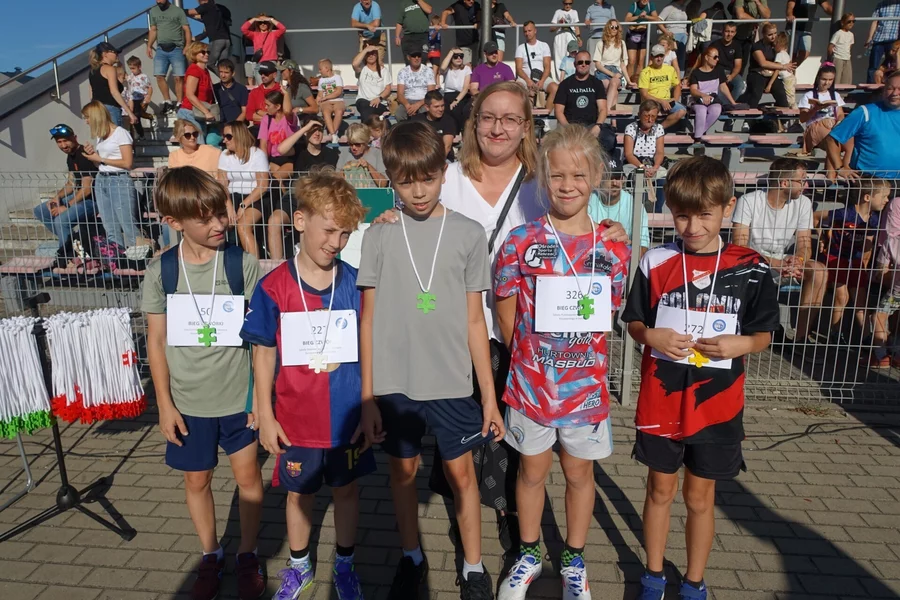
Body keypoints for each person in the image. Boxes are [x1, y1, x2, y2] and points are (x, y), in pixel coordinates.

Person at [374, 81, 630, 553]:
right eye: (488, 117)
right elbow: (412, 214)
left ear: (526, 126)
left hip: (523, 339)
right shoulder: (448, 176)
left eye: (511, 119)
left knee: (515, 444)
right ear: (474, 124)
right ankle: (465, 524)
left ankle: (516, 525)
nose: (498, 128)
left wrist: (612, 229)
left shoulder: (540, 182)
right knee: (459, 440)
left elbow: (574, 227)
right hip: (456, 331)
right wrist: (387, 219)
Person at [357, 121, 504, 600]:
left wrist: (488, 397)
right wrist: (367, 396)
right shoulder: (379, 235)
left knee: (463, 475)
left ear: (444, 172)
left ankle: (474, 567)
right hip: (395, 383)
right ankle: (411, 557)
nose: (418, 191)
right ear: (391, 180)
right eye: (405, 182)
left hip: (452, 382)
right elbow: (367, 320)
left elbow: (476, 321)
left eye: (428, 178)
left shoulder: (468, 233)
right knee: (402, 474)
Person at [623, 156, 780, 600]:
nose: (692, 226)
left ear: (728, 208)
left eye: (704, 215)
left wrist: (739, 345)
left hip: (716, 406)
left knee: (699, 497)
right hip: (661, 400)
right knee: (659, 489)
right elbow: (634, 322)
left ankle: (694, 581)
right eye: (681, 215)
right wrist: (650, 335)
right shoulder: (656, 261)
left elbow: (764, 335)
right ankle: (653, 575)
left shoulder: (751, 266)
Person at [493, 126, 629, 600]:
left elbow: (609, 313)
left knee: (578, 474)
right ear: (543, 179)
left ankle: (573, 560)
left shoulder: (613, 246)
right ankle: (529, 554)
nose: (567, 185)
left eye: (578, 175)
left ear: (596, 177)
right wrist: (532, 360)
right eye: (557, 176)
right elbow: (505, 312)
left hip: (585, 390)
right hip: (532, 386)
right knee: (530, 473)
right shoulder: (520, 241)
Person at [240, 172, 372, 600]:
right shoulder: (273, 287)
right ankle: (299, 567)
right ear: (299, 221)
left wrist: (370, 404)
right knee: (298, 495)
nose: (336, 242)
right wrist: (264, 413)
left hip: (347, 418)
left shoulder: (357, 284)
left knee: (347, 491)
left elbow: (371, 350)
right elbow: (263, 354)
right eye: (329, 230)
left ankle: (346, 564)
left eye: (345, 233)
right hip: (295, 421)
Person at [142, 167, 265, 600]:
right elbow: (156, 341)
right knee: (197, 481)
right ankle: (211, 554)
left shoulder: (241, 264)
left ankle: (247, 553)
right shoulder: (162, 272)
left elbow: (262, 340)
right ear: (173, 222)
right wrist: (164, 404)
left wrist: (260, 398)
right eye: (205, 218)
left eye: (221, 212)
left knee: (248, 478)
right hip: (188, 403)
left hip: (238, 400)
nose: (219, 224)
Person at [731, 158, 827, 343]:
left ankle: (801, 339)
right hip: (751, 262)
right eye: (801, 180)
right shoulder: (749, 201)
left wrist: (797, 261)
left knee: (819, 271)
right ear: (784, 183)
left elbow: (805, 244)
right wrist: (776, 263)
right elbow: (740, 248)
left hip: (783, 262)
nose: (806, 185)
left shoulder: (804, 203)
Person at [820, 179, 891, 356]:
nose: (887, 200)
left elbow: (868, 245)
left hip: (857, 261)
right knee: (842, 297)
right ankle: (835, 334)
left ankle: (866, 338)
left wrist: (865, 265)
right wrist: (823, 235)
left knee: (861, 299)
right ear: (867, 197)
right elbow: (816, 217)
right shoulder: (845, 213)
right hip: (837, 258)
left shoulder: (874, 219)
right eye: (884, 196)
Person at [80, 101, 141, 251]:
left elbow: (127, 163)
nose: (86, 121)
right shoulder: (101, 137)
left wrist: (100, 159)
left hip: (119, 180)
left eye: (87, 117)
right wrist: (93, 156)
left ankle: (141, 256)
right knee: (110, 226)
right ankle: (117, 258)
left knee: (128, 224)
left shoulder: (120, 133)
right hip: (102, 179)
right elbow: (101, 164)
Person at [827, 70, 900, 181]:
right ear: (884, 90)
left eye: (899, 89)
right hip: (869, 181)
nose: (894, 93)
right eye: (890, 88)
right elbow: (832, 139)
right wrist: (840, 167)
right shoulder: (865, 112)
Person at [34, 124, 98, 249]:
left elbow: (86, 189)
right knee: (40, 210)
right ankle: (72, 242)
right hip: (80, 197)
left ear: (75, 138)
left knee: (61, 220)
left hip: (93, 201)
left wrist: (67, 206)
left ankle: (67, 252)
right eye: (59, 142)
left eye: (66, 141)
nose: (63, 145)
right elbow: (71, 184)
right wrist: (57, 197)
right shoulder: (71, 157)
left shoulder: (84, 155)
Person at [217, 121, 271, 254]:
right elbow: (222, 185)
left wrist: (243, 205)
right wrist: (229, 207)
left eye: (228, 136)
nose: (224, 140)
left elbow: (262, 186)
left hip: (255, 197)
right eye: (224, 136)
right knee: (222, 224)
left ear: (239, 135)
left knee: (243, 226)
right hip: (230, 197)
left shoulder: (257, 154)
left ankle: (254, 265)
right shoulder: (224, 155)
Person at [554, 51, 613, 155]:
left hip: (592, 125)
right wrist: (568, 128)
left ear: (590, 64)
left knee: (609, 138)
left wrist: (598, 126)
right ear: (574, 64)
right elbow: (558, 111)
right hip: (570, 126)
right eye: (580, 62)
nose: (584, 64)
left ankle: (602, 163)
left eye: (587, 62)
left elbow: (603, 109)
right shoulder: (565, 84)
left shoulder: (597, 83)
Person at [588, 157, 651, 255]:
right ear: (599, 179)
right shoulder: (588, 201)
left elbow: (643, 247)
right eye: (610, 177)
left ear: (623, 179)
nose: (615, 183)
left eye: (618, 177)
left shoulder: (635, 205)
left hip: (624, 257)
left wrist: (628, 250)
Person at [148, 0, 192, 112]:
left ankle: (180, 102)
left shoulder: (178, 11)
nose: (158, 1)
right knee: (159, 75)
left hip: (176, 48)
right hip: (161, 48)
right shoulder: (154, 11)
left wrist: (187, 45)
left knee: (178, 77)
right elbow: (153, 29)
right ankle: (167, 101)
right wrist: (149, 45)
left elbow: (186, 29)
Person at [624, 100, 668, 212]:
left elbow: (660, 152)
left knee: (664, 178)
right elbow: (628, 154)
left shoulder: (658, 128)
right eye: (646, 116)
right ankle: (640, 210)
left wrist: (655, 167)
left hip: (652, 163)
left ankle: (657, 210)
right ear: (639, 115)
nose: (650, 120)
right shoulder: (631, 128)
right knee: (638, 177)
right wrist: (642, 167)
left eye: (653, 116)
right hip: (635, 163)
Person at [872, 196, 900, 367]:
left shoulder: (891, 241)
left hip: (897, 292)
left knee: (879, 316)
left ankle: (881, 356)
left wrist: (880, 276)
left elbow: (881, 270)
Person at [738, 22, 794, 109]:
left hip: (772, 75)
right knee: (756, 95)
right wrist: (783, 66)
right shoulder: (757, 46)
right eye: (770, 35)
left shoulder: (776, 45)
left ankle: (776, 115)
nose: (773, 37)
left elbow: (783, 55)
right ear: (763, 34)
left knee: (782, 98)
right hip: (757, 74)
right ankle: (747, 113)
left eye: (775, 33)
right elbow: (763, 63)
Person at [798, 64, 844, 167]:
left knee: (848, 140)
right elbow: (802, 118)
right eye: (824, 79)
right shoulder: (809, 95)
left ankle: (836, 170)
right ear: (818, 78)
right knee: (833, 140)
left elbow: (840, 114)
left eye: (830, 80)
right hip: (816, 126)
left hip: (833, 125)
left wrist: (839, 122)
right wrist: (815, 109)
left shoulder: (835, 95)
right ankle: (833, 172)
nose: (827, 83)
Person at [688, 45, 738, 140]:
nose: (717, 59)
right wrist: (703, 95)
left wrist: (733, 102)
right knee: (701, 111)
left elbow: (723, 87)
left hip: (713, 99)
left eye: (718, 57)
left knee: (716, 110)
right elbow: (693, 90)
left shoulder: (719, 70)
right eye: (715, 57)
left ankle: (698, 135)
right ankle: (698, 138)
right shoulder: (696, 73)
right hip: (699, 99)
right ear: (707, 58)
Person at [639, 44, 687, 130]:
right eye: (656, 56)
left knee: (682, 111)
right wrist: (661, 101)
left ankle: (658, 129)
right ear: (651, 57)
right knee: (650, 112)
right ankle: (648, 130)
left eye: (661, 56)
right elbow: (644, 94)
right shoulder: (645, 72)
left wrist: (675, 99)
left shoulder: (670, 69)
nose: (659, 58)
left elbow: (677, 85)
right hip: (651, 101)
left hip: (667, 101)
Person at [89, 42, 136, 128]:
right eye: (114, 52)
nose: (117, 54)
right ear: (105, 54)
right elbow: (114, 92)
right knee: (115, 135)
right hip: (110, 109)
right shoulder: (110, 69)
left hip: (97, 109)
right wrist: (130, 112)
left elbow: (92, 93)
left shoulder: (92, 71)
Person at [179, 41, 217, 144]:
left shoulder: (205, 71)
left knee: (199, 146)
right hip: (190, 113)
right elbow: (190, 94)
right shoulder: (194, 70)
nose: (206, 54)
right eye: (203, 52)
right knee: (197, 146)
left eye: (208, 52)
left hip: (198, 113)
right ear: (194, 54)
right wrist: (206, 112)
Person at [258, 90, 298, 183]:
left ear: (278, 106)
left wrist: (286, 94)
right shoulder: (266, 119)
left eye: (268, 105)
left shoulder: (289, 118)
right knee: (274, 181)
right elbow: (263, 145)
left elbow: (287, 111)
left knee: (275, 178)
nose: (265, 107)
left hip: (289, 159)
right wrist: (264, 164)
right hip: (273, 159)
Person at [515, 21, 559, 107]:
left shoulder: (544, 46)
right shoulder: (520, 48)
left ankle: (547, 113)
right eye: (525, 31)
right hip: (525, 78)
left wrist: (542, 81)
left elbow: (547, 67)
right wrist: (528, 80)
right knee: (517, 87)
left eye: (529, 30)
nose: (527, 33)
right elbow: (519, 69)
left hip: (541, 77)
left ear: (535, 30)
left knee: (555, 88)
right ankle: (524, 111)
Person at [593, 19, 633, 111]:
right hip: (603, 71)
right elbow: (598, 64)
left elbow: (623, 64)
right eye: (612, 27)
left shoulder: (622, 43)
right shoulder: (601, 43)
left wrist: (629, 81)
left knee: (614, 83)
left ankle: (605, 111)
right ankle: (611, 115)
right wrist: (612, 74)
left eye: (616, 27)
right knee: (611, 88)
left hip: (616, 70)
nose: (614, 29)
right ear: (608, 28)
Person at [411, 90, 459, 161]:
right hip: (421, 159)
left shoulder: (448, 120)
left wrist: (435, 164)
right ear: (427, 107)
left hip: (443, 158)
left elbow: (447, 147)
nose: (441, 109)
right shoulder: (417, 120)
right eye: (436, 107)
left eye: (442, 106)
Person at [339, 123, 389, 188]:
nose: (353, 147)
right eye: (350, 144)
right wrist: (344, 170)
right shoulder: (345, 153)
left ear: (366, 142)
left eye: (357, 144)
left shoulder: (377, 154)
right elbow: (336, 181)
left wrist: (369, 166)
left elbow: (383, 184)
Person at [241, 14, 286, 85]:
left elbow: (283, 29)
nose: (263, 24)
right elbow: (243, 29)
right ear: (258, 24)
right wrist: (254, 19)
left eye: (265, 22)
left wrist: (271, 19)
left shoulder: (273, 34)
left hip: (272, 63)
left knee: (275, 87)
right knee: (261, 87)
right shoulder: (254, 35)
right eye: (260, 23)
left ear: (268, 24)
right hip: (260, 63)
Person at [786, 0, 833, 65]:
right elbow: (790, 6)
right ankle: (788, 69)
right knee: (792, 54)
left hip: (807, 29)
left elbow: (827, 7)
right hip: (794, 27)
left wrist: (838, 15)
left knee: (805, 53)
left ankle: (790, 69)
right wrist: (790, 15)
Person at [625, 0, 662, 85]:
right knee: (631, 61)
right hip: (632, 34)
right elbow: (627, 19)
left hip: (644, 34)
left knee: (641, 61)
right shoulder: (634, 5)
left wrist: (646, 16)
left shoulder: (650, 5)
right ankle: (629, 83)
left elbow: (656, 18)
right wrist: (638, 16)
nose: (645, 0)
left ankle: (637, 82)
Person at [394, 49, 437, 121]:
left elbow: (431, 93)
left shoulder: (428, 71)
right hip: (407, 100)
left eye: (419, 56)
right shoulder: (403, 72)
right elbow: (400, 94)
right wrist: (407, 106)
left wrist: (417, 105)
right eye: (414, 56)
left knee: (424, 114)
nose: (417, 58)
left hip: (424, 100)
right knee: (399, 114)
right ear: (408, 57)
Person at [187, 0, 231, 69]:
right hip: (227, 40)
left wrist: (178, 11)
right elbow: (198, 16)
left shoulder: (206, 6)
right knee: (222, 65)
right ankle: (225, 75)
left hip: (217, 40)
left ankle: (222, 75)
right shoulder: (216, 11)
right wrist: (195, 38)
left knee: (210, 64)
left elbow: (191, 12)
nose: (197, 2)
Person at [352, 46, 392, 122]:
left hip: (379, 102)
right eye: (368, 54)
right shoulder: (362, 69)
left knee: (369, 111)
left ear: (377, 56)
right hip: (363, 101)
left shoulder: (384, 71)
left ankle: (366, 127)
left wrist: (379, 98)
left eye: (373, 54)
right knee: (365, 106)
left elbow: (388, 89)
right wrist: (365, 50)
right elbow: (355, 64)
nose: (371, 56)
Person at [708, 22, 746, 100]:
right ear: (722, 32)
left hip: (731, 73)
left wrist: (731, 76)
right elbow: (709, 62)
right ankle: (725, 104)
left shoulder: (737, 46)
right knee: (718, 89)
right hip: (717, 72)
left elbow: (738, 65)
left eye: (732, 32)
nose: (729, 34)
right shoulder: (714, 45)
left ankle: (730, 104)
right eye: (727, 31)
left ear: (735, 33)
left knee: (740, 85)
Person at [733, 0, 771, 77]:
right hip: (738, 35)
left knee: (748, 62)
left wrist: (758, 2)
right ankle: (735, 81)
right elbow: (740, 15)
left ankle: (742, 80)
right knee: (737, 62)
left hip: (752, 36)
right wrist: (756, 21)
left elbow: (767, 15)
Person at [866, 0, 900, 83]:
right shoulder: (881, 4)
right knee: (873, 66)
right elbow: (875, 21)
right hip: (878, 39)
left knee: (892, 64)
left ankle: (892, 84)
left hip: (892, 39)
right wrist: (870, 38)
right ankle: (870, 86)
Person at [441, 0, 482, 65]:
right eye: (469, 0)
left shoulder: (476, 5)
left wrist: (478, 22)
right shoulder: (457, 6)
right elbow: (445, 12)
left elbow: (479, 14)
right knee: (467, 65)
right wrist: (443, 23)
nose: (471, 1)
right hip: (463, 43)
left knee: (475, 65)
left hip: (474, 41)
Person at [441, 47, 473, 128]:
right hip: (448, 95)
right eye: (455, 56)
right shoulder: (448, 69)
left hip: (461, 95)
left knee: (457, 110)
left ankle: (458, 131)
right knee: (446, 111)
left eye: (461, 56)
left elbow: (465, 89)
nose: (459, 58)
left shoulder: (466, 69)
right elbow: (442, 68)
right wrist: (451, 51)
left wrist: (455, 101)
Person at [245, 61, 283, 131]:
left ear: (274, 75)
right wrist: (268, 118)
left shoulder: (281, 91)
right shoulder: (254, 92)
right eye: (261, 73)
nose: (262, 76)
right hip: (258, 128)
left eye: (266, 73)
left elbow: (282, 115)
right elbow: (249, 115)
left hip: (278, 128)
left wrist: (258, 112)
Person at [550, 0, 581, 81]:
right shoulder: (558, 12)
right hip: (560, 36)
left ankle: (573, 80)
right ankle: (559, 81)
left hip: (571, 35)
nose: (568, 5)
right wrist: (559, 24)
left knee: (572, 58)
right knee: (559, 59)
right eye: (566, 3)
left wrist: (579, 38)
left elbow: (576, 26)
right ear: (563, 3)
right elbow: (551, 29)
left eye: (570, 4)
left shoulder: (574, 12)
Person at [766, 32, 796, 112]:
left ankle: (794, 113)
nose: (773, 47)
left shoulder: (779, 55)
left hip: (787, 79)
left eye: (775, 44)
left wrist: (770, 84)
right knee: (791, 96)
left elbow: (777, 69)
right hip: (791, 77)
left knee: (789, 99)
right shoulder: (786, 54)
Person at [125, 57, 153, 141]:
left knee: (137, 114)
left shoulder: (144, 76)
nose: (132, 70)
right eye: (130, 68)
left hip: (141, 98)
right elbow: (123, 75)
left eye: (133, 68)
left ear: (139, 67)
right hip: (133, 99)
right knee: (135, 116)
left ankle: (141, 133)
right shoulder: (131, 76)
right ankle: (140, 133)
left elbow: (150, 87)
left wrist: (148, 96)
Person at [214, 59, 249, 123]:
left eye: (226, 72)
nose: (223, 75)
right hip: (219, 125)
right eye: (221, 72)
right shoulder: (214, 89)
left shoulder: (242, 89)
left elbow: (244, 112)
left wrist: (233, 126)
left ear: (233, 73)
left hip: (237, 125)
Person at [658, 0, 689, 73]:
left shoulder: (684, 8)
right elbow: (658, 20)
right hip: (673, 35)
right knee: (672, 57)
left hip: (683, 36)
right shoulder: (669, 7)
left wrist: (685, 31)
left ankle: (680, 76)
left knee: (681, 58)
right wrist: (666, 31)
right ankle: (669, 74)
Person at [828, 13, 855, 86]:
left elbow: (850, 46)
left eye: (853, 21)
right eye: (849, 21)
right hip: (838, 58)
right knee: (836, 78)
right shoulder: (838, 33)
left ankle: (844, 93)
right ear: (843, 22)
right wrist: (831, 58)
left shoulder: (851, 35)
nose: (851, 23)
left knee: (847, 78)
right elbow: (831, 46)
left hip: (847, 58)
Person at [427, 15, 444, 84]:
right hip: (434, 51)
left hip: (436, 51)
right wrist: (436, 31)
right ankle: (433, 83)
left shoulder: (436, 29)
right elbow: (432, 37)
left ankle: (438, 84)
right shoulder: (432, 30)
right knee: (435, 68)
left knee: (437, 69)